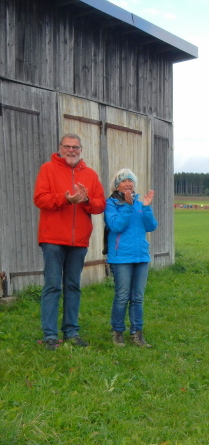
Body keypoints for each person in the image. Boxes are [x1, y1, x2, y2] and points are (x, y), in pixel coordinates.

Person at [33, 134, 105, 350]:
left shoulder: (90, 175)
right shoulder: (48, 169)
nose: (71, 150)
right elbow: (40, 199)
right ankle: (50, 335)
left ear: (81, 150)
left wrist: (86, 200)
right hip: (53, 239)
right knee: (53, 285)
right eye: (67, 146)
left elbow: (100, 205)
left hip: (79, 241)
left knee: (73, 286)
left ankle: (71, 331)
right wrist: (65, 199)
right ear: (60, 148)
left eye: (75, 147)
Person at [105, 169, 158, 348]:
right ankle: (118, 332)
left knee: (138, 297)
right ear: (117, 185)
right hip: (121, 257)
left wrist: (147, 208)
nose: (128, 184)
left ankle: (137, 333)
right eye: (123, 181)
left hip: (141, 256)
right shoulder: (111, 203)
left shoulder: (141, 201)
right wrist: (127, 207)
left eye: (131, 180)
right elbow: (115, 226)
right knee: (122, 296)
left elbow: (151, 226)